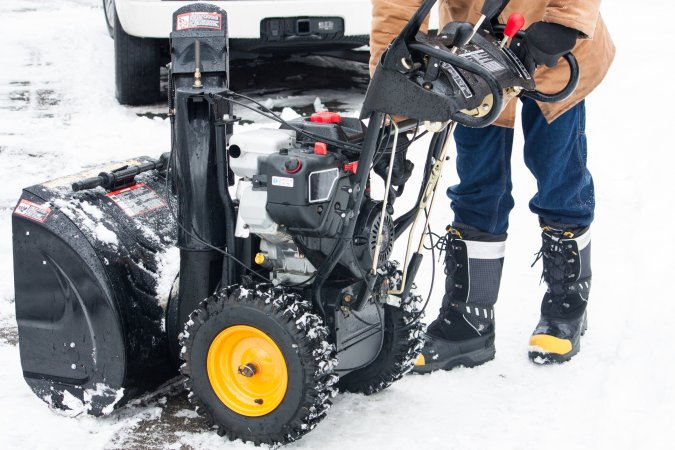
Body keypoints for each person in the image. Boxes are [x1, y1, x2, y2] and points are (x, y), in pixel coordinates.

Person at [369, 0, 615, 370]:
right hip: (475, 57)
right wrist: (393, 114)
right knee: (479, 185)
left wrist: (564, 22)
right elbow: (394, 8)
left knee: (558, 175)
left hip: (553, 47)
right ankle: (469, 321)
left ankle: (567, 305)